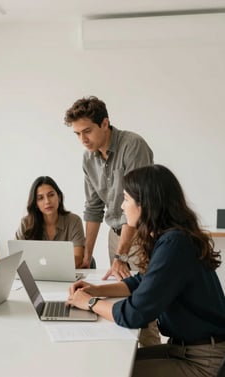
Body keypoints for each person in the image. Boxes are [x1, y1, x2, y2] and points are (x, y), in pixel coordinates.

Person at [67, 164, 225, 377]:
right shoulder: (172, 238)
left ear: (145, 204)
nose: (122, 207)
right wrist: (94, 290)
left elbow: (134, 314)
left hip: (204, 361)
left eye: (125, 199)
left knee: (113, 371)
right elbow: (141, 282)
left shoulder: (175, 244)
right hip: (184, 350)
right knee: (111, 363)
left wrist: (90, 303)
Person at [65, 96, 159, 346]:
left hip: (141, 233)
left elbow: (138, 205)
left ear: (105, 123)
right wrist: (86, 256)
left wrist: (122, 255)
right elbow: (94, 208)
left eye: (87, 131)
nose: (82, 140)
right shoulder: (88, 159)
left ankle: (149, 357)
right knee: (121, 299)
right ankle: (124, 359)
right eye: (77, 134)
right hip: (114, 235)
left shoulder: (132, 145)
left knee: (144, 305)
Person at [16, 176, 87, 268]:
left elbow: (78, 259)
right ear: (36, 204)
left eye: (51, 195)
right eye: (40, 198)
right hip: (37, 277)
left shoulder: (74, 221)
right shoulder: (26, 223)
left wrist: (47, 266)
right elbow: (16, 258)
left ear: (59, 197)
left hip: (64, 277)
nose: (47, 201)